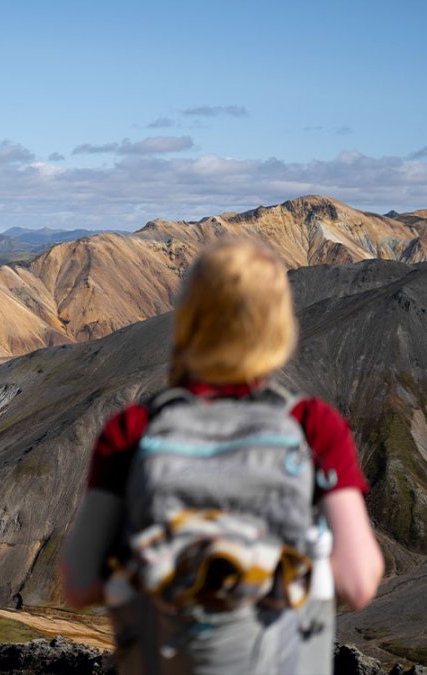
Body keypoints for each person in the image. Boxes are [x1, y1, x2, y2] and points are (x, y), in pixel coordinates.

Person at [59, 239, 384, 674]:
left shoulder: (133, 429)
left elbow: (79, 583)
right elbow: (359, 582)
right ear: (278, 328)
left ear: (188, 321)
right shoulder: (312, 426)